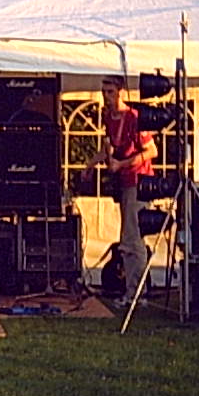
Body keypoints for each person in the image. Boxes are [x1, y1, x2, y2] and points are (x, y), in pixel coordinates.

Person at [83, 75, 157, 305]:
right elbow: (110, 149)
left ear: (121, 92)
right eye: (104, 92)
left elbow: (151, 150)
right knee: (128, 237)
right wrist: (90, 165)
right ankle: (133, 290)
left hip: (139, 181)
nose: (106, 97)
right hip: (124, 182)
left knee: (132, 238)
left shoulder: (134, 117)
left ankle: (137, 293)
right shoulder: (109, 117)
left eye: (111, 92)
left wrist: (122, 164)